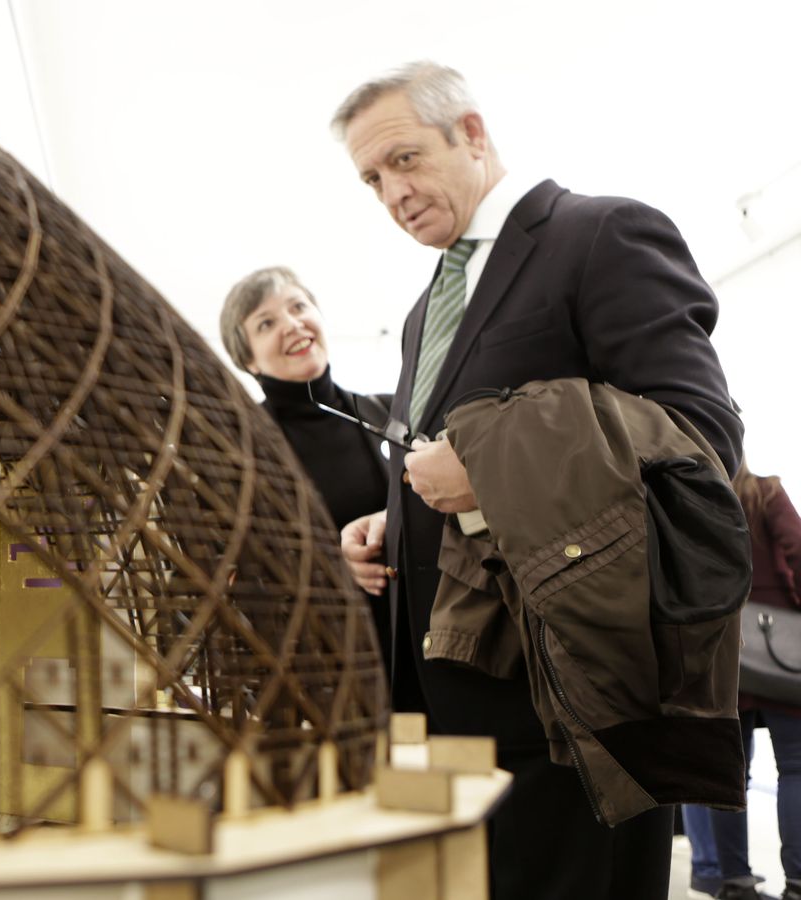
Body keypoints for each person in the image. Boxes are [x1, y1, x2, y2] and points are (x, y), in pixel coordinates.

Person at [330, 61, 743, 900]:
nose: (392, 194)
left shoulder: (601, 234)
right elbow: (456, 465)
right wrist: (394, 517)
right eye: (373, 180)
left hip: (564, 702)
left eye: (405, 160)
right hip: (446, 698)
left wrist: (484, 465)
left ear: (472, 134)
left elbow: (701, 442)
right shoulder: (425, 310)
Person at [218, 266, 393, 651]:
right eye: (266, 323)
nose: (292, 324)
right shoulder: (238, 451)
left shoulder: (393, 415)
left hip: (421, 655)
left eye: (298, 306)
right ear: (248, 360)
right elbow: (238, 574)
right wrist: (332, 567)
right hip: (324, 664)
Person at [700, 467, 801, 900]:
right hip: (781, 650)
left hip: (722, 647)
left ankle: (735, 883)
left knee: (728, 774)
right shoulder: (766, 491)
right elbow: (798, 547)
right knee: (796, 768)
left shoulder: (696, 492)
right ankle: (798, 882)